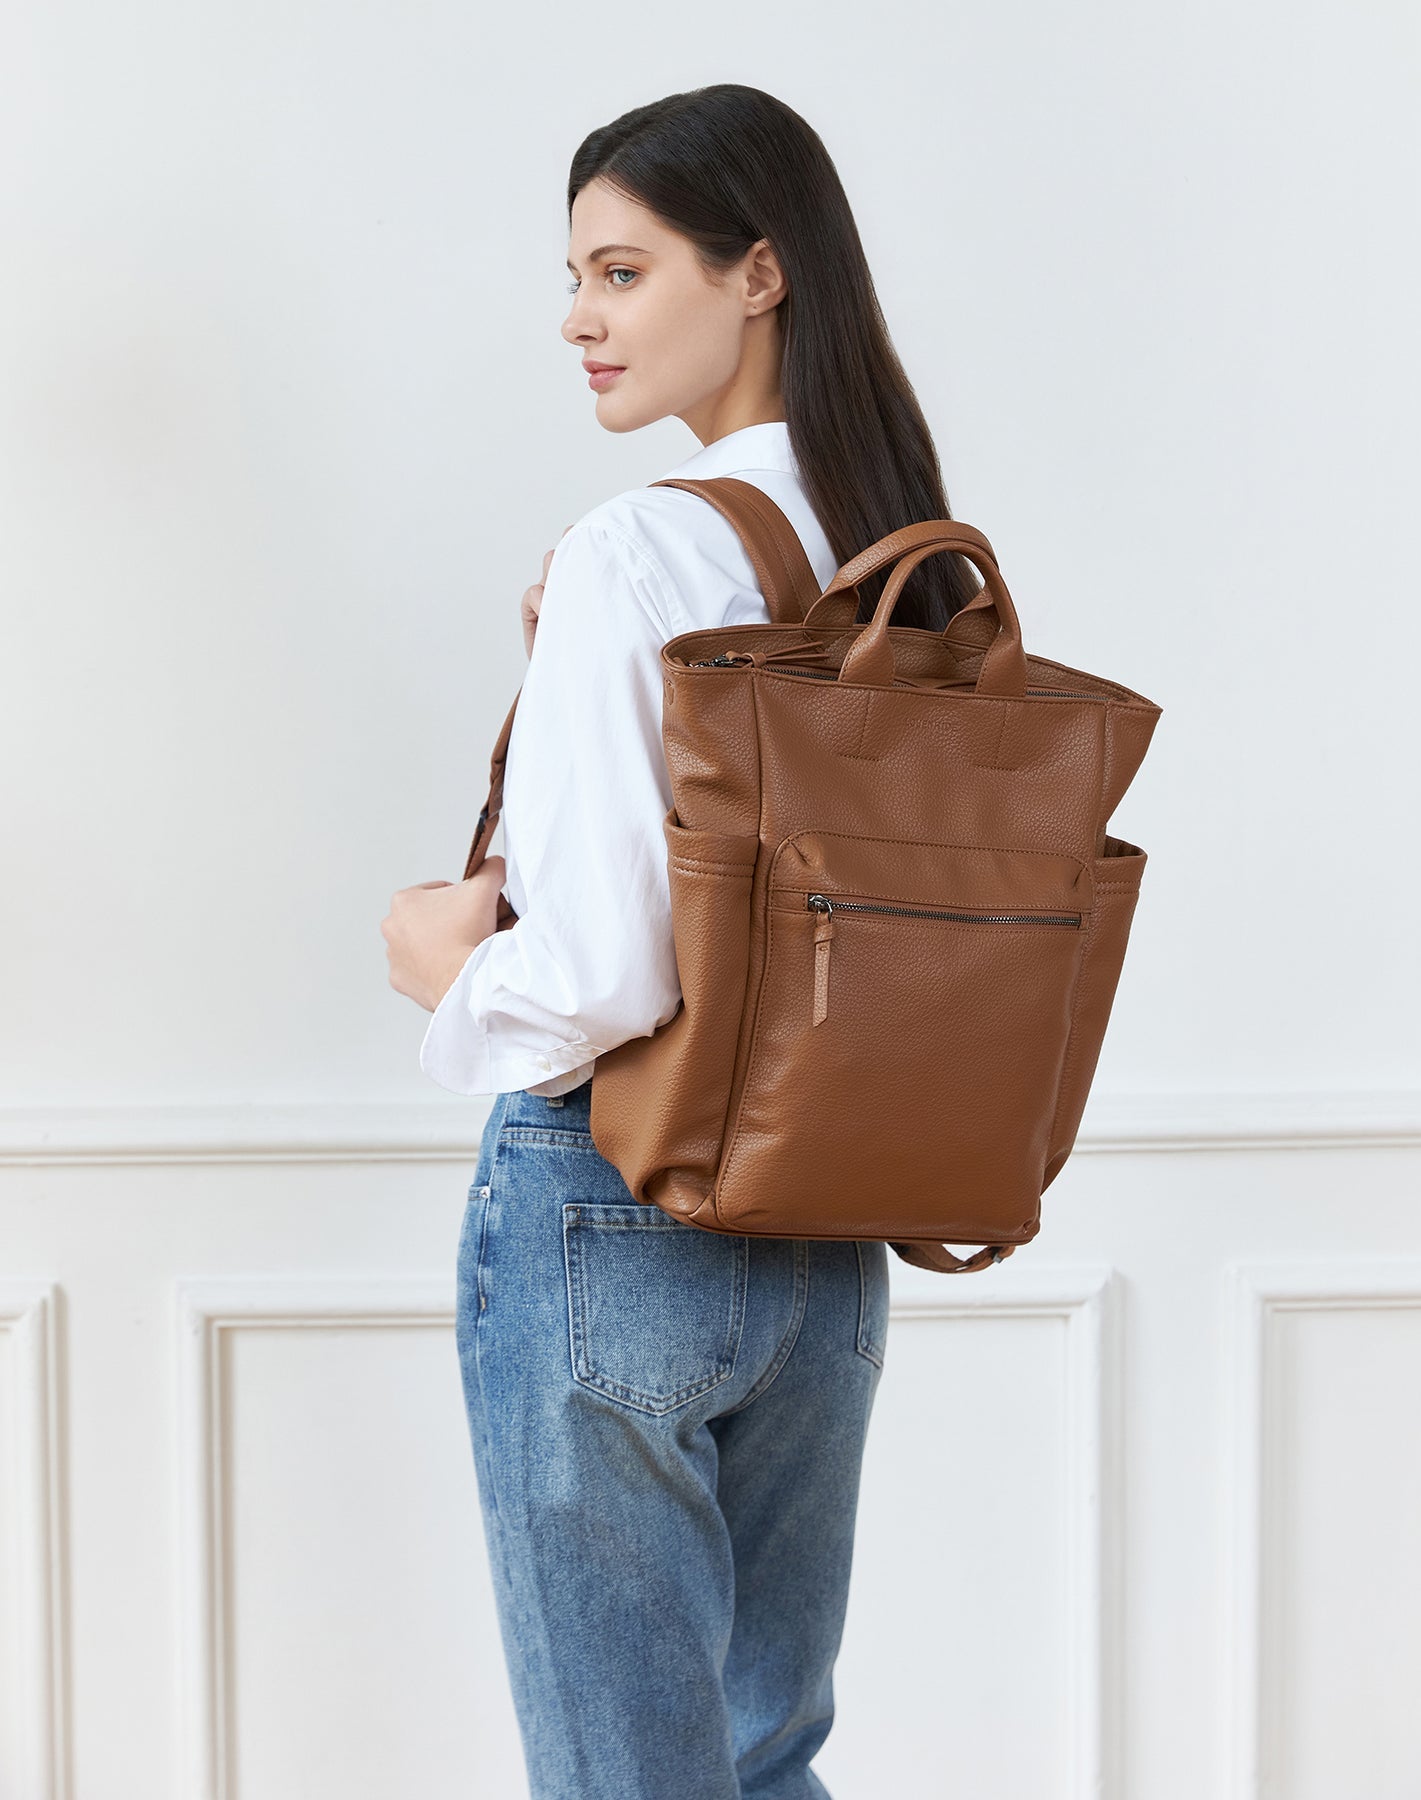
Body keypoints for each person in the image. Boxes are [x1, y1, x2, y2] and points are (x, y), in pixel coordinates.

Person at [381, 81, 986, 1800]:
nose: (580, 317)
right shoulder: (901, 562)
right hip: (825, 1227)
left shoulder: (638, 547)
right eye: (575, 277)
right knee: (759, 1760)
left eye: (624, 270)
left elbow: (598, 977)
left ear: (760, 273)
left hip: (613, 1202)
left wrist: (444, 966)